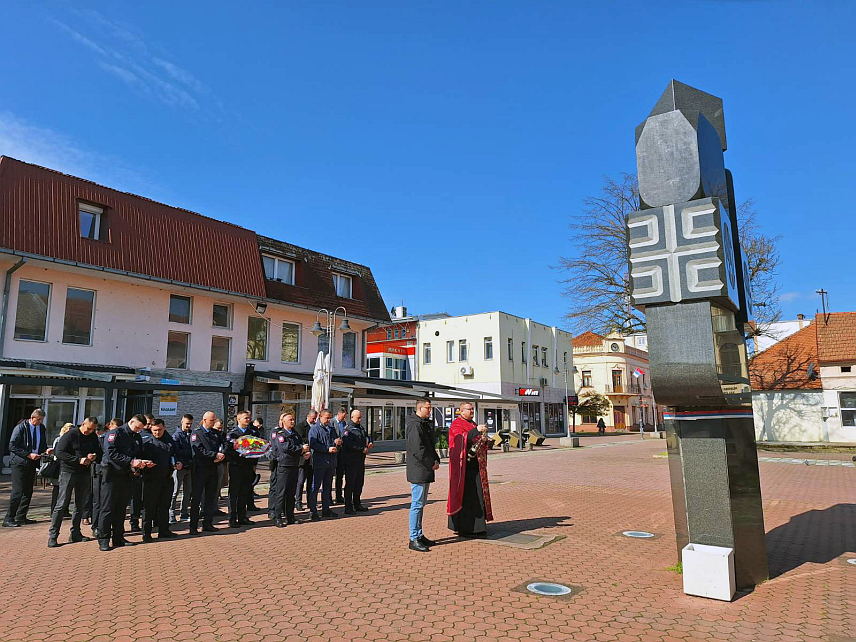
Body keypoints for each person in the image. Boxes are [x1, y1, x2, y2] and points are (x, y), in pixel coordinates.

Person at [99, 415, 152, 551]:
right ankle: (103, 539)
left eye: (141, 429)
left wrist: (142, 462)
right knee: (108, 508)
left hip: (126, 476)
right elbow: (111, 453)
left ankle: (118, 537)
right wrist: (130, 461)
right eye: (137, 427)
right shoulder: (115, 434)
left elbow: (138, 453)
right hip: (111, 475)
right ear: (131, 421)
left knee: (121, 508)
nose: (139, 430)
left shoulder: (136, 436)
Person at [48, 417, 101, 547]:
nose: (90, 431)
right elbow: (59, 452)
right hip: (68, 472)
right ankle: (53, 535)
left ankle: (76, 533)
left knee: (80, 504)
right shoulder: (70, 435)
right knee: (62, 503)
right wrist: (78, 460)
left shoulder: (93, 436)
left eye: (93, 429)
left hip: (84, 473)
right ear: (83, 424)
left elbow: (99, 451)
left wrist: (93, 456)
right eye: (88, 428)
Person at [447, 402, 493, 538]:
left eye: (472, 409)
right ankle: (467, 528)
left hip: (476, 466)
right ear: (461, 411)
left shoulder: (472, 423)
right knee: (467, 498)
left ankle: (477, 526)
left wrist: (484, 439)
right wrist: (476, 430)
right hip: (464, 469)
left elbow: (476, 440)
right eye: (469, 409)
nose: (472, 411)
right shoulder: (457, 424)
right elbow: (461, 440)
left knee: (477, 496)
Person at [4, 408, 53, 528]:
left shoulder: (41, 428)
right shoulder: (21, 428)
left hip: (32, 462)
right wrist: (28, 454)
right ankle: (9, 518)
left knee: (28, 490)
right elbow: (12, 445)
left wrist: (45, 450)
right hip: (20, 463)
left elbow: (41, 444)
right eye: (38, 420)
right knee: (18, 491)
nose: (40, 422)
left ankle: (21, 516)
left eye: (42, 420)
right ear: (32, 418)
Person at [405, 399, 440, 552]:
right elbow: (418, 449)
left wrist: (436, 458)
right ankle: (413, 538)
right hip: (419, 469)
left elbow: (429, 445)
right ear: (420, 408)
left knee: (421, 504)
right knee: (417, 504)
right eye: (428, 408)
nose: (430, 410)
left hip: (424, 469)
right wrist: (430, 462)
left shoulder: (424, 424)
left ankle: (419, 534)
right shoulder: (415, 425)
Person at [141, 419, 180, 541]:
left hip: (167, 478)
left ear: (164, 428)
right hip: (151, 479)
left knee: (165, 506)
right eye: (155, 430)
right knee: (149, 507)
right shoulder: (147, 443)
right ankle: (146, 533)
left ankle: (164, 531)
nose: (157, 432)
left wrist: (178, 462)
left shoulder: (170, 442)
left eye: (159, 430)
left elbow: (176, 454)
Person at [269, 412, 309, 527]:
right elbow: (286, 447)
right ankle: (277, 517)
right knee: (281, 492)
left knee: (291, 493)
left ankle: (290, 516)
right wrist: (301, 449)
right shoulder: (281, 434)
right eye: (290, 420)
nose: (292, 421)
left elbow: (300, 444)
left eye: (293, 419)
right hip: (284, 465)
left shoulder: (295, 433)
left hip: (294, 465)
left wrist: (304, 452)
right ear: (284, 422)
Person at [189, 411, 226, 533]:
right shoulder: (197, 434)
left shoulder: (216, 434)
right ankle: (193, 526)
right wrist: (214, 455)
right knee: (197, 497)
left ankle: (208, 523)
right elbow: (198, 451)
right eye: (212, 420)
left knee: (211, 496)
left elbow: (224, 444)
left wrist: (222, 455)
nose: (214, 422)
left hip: (213, 469)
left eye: (214, 420)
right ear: (204, 420)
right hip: (200, 469)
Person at [226, 410, 259, 527]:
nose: (248, 419)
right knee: (234, 493)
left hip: (248, 467)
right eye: (245, 418)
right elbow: (228, 451)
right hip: (236, 466)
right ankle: (232, 518)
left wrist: (254, 462)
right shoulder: (233, 434)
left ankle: (242, 516)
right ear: (238, 420)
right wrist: (239, 454)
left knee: (244, 492)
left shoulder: (253, 432)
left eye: (249, 417)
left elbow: (257, 448)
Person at [308, 409, 340, 520]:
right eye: (326, 417)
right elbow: (313, 444)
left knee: (328, 487)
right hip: (319, 462)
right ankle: (313, 510)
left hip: (331, 462)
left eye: (330, 417)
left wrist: (337, 443)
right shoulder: (314, 429)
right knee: (315, 487)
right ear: (320, 417)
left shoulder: (331, 429)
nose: (328, 420)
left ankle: (326, 509)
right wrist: (326, 449)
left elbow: (335, 441)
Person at [91, 418, 119, 539]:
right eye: (115, 428)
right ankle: (96, 526)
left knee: (109, 501)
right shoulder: (101, 439)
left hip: (111, 473)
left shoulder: (119, 439)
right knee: (98, 500)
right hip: (99, 470)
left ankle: (108, 526)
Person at [340, 409, 372, 514]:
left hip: (360, 460)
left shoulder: (360, 427)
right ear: (352, 417)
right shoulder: (348, 429)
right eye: (358, 417)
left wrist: (370, 442)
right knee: (350, 484)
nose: (360, 419)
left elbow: (367, 436)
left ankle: (357, 504)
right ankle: (348, 506)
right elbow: (347, 444)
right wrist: (360, 448)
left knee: (359, 483)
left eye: (360, 417)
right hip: (351, 460)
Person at [128, 413, 155, 533]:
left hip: (149, 471)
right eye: (147, 424)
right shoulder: (138, 435)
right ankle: (134, 521)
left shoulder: (153, 434)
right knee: (136, 498)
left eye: (150, 424)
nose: (148, 426)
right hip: (137, 472)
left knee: (146, 499)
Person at [171, 414, 194, 523]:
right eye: (187, 423)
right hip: (180, 467)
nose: (188, 425)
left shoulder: (192, 434)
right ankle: (171, 514)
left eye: (190, 423)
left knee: (188, 491)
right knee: (175, 492)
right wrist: (177, 462)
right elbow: (175, 451)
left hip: (189, 467)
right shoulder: (176, 436)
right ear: (182, 422)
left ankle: (184, 513)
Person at [48, 423, 74, 515]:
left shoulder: (72, 440)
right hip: (58, 466)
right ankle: (54, 510)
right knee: (57, 489)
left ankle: (65, 510)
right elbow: (57, 453)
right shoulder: (59, 439)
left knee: (66, 490)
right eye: (69, 429)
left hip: (67, 466)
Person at [294, 409, 317, 511]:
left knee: (311, 481)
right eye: (313, 418)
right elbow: (299, 439)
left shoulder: (315, 426)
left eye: (315, 418)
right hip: (303, 458)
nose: (314, 420)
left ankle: (310, 502)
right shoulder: (300, 426)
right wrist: (311, 440)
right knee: (300, 481)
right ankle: (298, 502)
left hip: (313, 458)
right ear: (308, 417)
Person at [332, 407, 348, 504]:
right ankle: (328, 497)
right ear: (339, 414)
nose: (343, 419)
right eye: (342, 417)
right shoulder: (331, 422)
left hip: (342, 452)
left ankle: (339, 495)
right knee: (329, 476)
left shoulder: (344, 423)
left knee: (340, 475)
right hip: (333, 451)